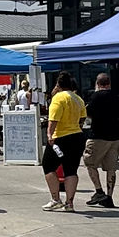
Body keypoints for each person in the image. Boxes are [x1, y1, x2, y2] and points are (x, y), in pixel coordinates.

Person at [41, 72, 87, 213]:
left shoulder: (58, 98)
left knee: (48, 165)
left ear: (58, 85)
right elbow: (82, 119)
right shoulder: (78, 99)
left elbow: (53, 119)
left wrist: (49, 135)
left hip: (61, 137)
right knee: (71, 170)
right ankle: (69, 203)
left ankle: (55, 199)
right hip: (77, 136)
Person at [83, 73, 119, 208]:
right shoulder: (116, 97)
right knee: (111, 168)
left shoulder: (95, 96)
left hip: (98, 135)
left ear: (97, 84)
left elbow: (87, 113)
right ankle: (109, 197)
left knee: (90, 163)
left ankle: (99, 191)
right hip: (114, 136)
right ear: (109, 83)